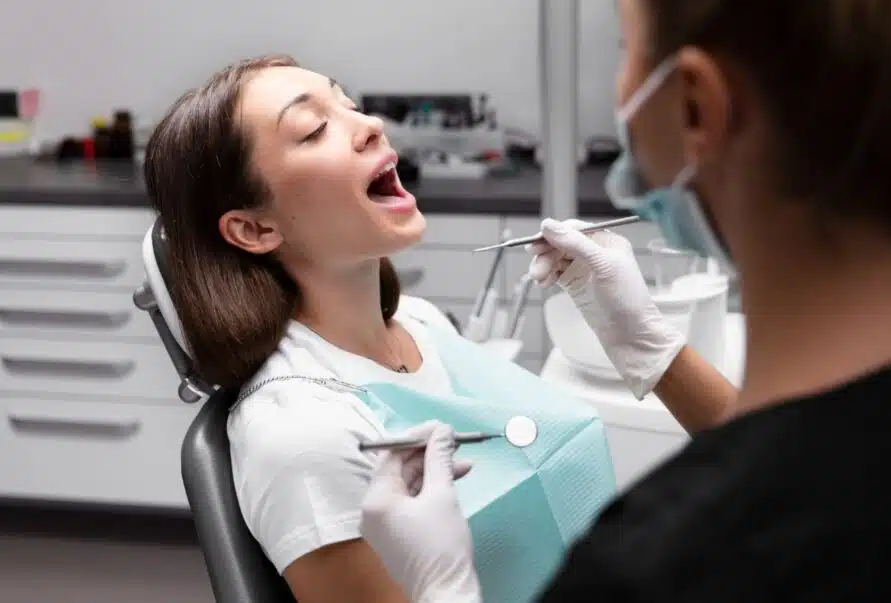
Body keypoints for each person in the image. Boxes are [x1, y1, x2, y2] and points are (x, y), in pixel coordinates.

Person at [358, 0, 891, 600]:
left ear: (697, 106)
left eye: (628, 45)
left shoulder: (651, 571)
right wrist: (655, 352)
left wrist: (443, 588)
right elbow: (840, 463)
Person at [145, 55, 700, 603]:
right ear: (253, 228)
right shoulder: (301, 439)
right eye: (314, 128)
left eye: (349, 105)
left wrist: (643, 343)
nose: (369, 125)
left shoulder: (421, 322)